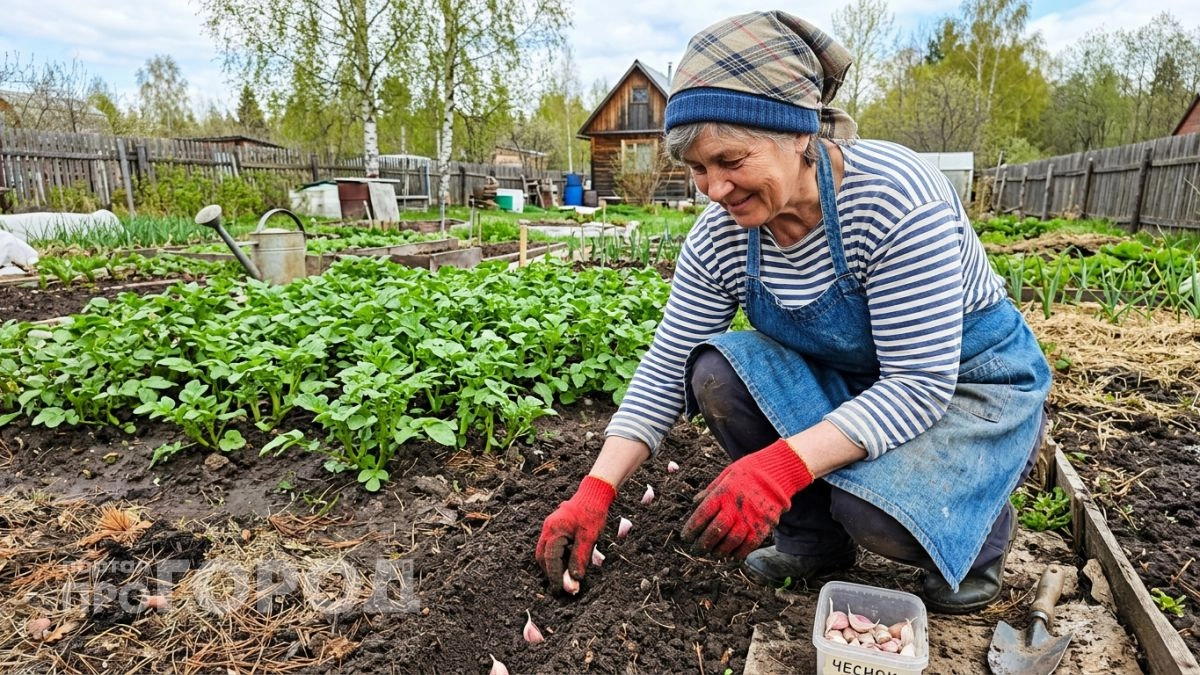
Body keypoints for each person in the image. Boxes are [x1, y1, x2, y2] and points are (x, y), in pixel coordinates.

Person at [535, 10, 1051, 614]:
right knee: (714, 373)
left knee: (876, 516)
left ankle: (980, 529)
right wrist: (595, 489)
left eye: (732, 161)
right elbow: (668, 364)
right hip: (855, 379)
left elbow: (917, 384)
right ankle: (812, 540)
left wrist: (776, 469)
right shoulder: (721, 234)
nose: (715, 190)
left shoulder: (893, 197)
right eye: (698, 169)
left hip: (965, 385)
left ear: (799, 134)